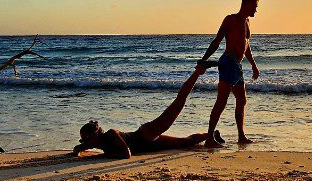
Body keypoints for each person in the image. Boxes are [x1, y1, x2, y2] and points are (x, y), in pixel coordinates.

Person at [73, 64, 221, 159]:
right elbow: (78, 149)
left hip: (146, 134)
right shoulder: (98, 143)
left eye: (85, 139)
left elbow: (126, 154)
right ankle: (213, 134)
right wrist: (80, 148)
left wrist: (98, 156)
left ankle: (198, 71)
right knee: (184, 143)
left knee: (178, 103)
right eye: (82, 140)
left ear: (95, 134)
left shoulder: (111, 134)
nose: (84, 142)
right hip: (148, 145)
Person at [199, 0, 260, 148]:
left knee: (242, 100)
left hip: (237, 66)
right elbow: (217, 41)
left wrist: (253, 65)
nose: (256, 10)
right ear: (246, 4)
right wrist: (204, 60)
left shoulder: (247, 22)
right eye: (254, 6)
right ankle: (209, 138)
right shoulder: (230, 19)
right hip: (228, 62)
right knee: (221, 101)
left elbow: (246, 47)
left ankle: (241, 136)